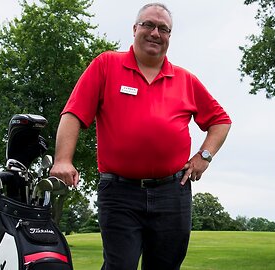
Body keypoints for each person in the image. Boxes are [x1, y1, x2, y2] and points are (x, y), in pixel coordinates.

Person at [50, 3, 231, 269]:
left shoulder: (185, 80)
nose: (155, 33)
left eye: (163, 29)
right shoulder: (106, 64)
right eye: (148, 25)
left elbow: (220, 121)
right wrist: (63, 160)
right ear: (135, 29)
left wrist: (204, 156)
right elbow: (73, 113)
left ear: (170, 36)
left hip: (172, 193)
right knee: (120, 265)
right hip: (120, 192)